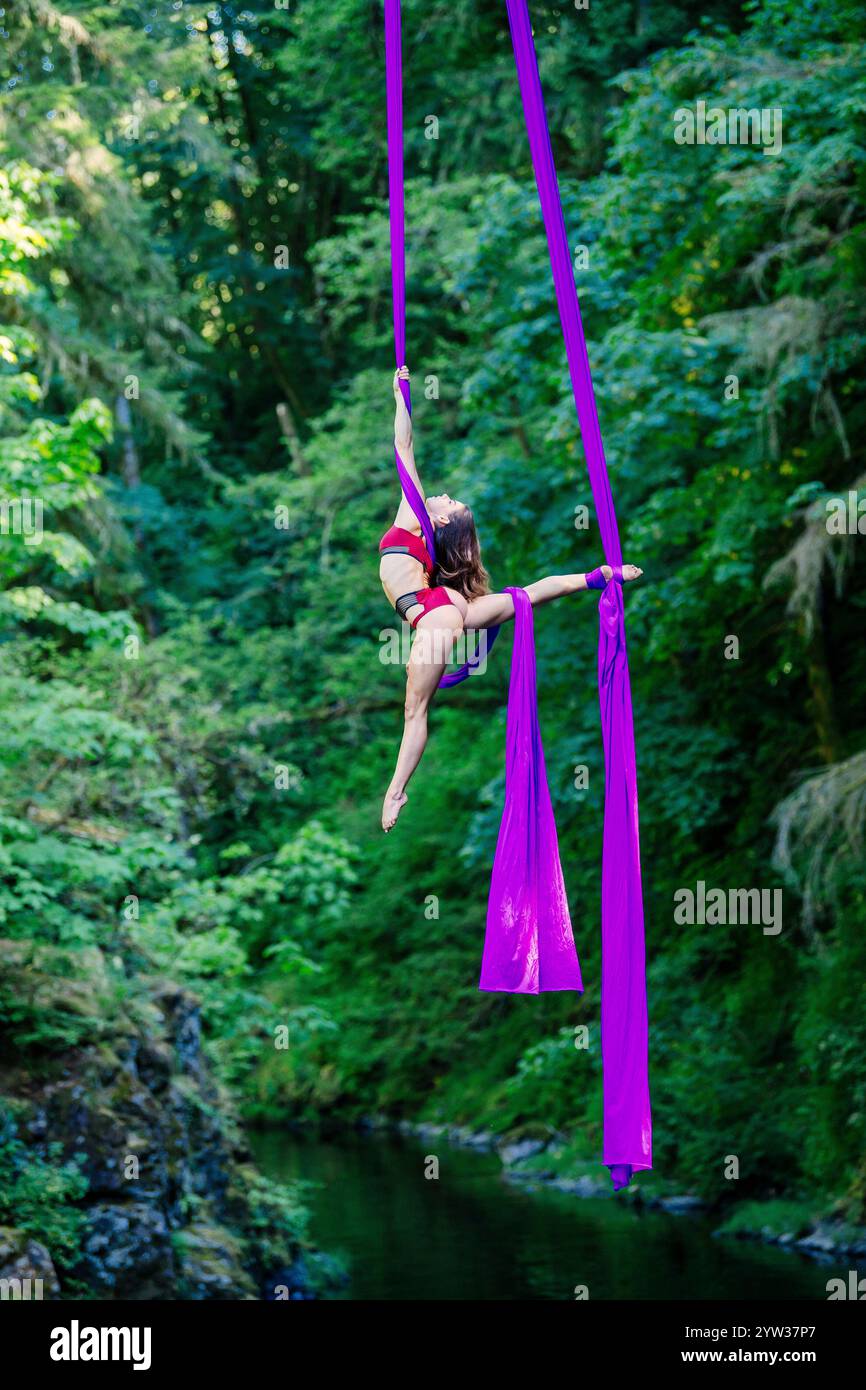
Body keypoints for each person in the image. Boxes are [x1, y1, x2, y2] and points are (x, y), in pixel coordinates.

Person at [378, 366, 642, 831]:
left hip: (435, 616)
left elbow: (404, 448)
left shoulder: (413, 517)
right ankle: (598, 577)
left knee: (414, 711)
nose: (443, 495)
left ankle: (396, 792)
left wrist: (401, 398)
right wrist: (600, 574)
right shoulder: (439, 564)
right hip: (445, 610)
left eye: (450, 503)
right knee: (524, 599)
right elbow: (538, 591)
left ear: (439, 523)